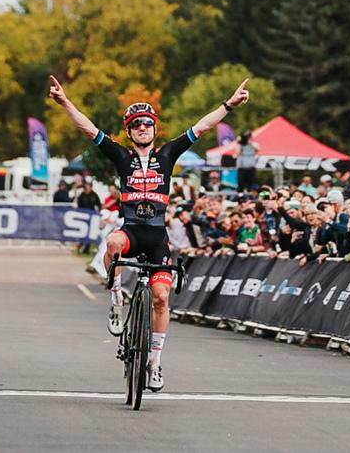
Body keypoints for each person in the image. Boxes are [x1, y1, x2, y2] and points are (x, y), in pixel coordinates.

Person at [49, 73, 250, 392]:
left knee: (160, 297)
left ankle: (155, 362)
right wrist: (64, 102)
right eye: (136, 124)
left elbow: (202, 126)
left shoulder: (168, 155)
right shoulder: (122, 157)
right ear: (129, 131)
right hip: (130, 232)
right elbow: (87, 128)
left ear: (154, 128)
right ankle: (116, 298)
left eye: (147, 123)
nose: (143, 128)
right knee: (112, 242)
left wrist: (229, 104)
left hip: (158, 238)